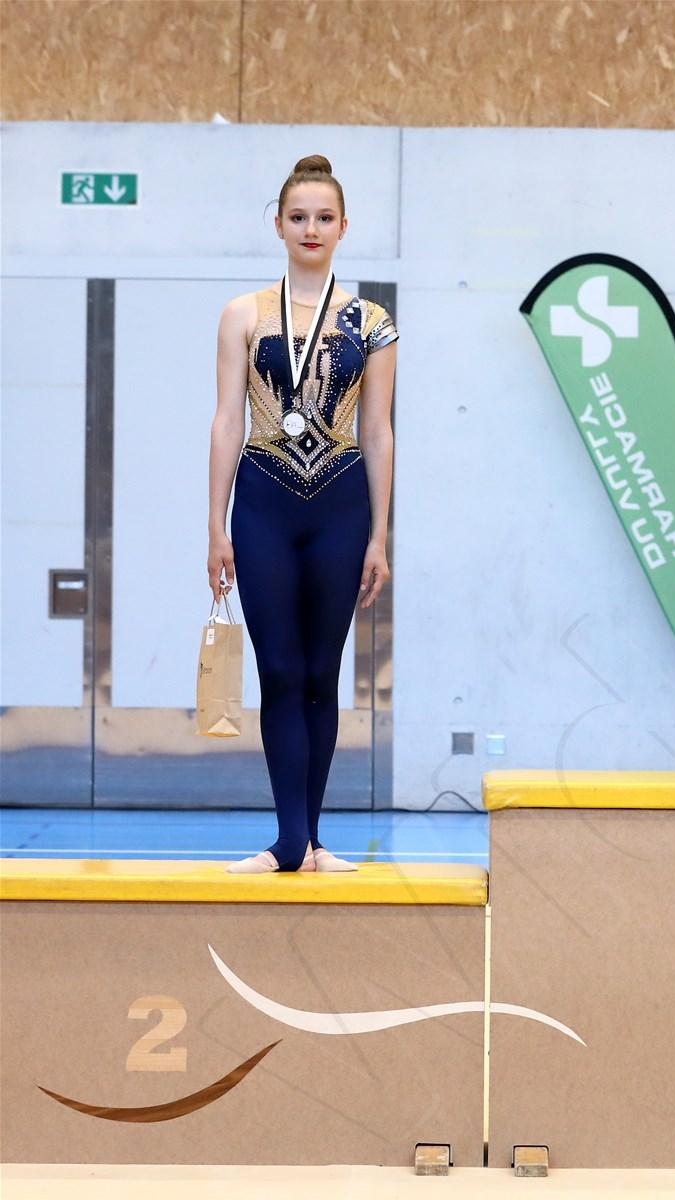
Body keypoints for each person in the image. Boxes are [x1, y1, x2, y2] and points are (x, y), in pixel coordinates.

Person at [207, 155, 397, 873]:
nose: (310, 228)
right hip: (263, 502)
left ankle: (309, 841)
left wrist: (379, 535)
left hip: (340, 508)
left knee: (322, 673)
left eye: (323, 218)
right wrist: (216, 524)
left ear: (344, 227)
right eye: (298, 217)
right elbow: (228, 420)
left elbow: (377, 430)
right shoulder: (244, 315)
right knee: (279, 669)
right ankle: (291, 840)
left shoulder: (372, 322)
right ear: (278, 226)